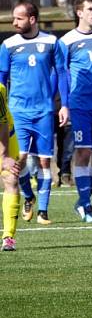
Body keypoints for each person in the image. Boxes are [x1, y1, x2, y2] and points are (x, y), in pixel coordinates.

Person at [0, 1, 69, 226]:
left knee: (44, 162)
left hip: (44, 111)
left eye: (18, 18)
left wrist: (64, 105)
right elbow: (1, 80)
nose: (14, 23)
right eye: (14, 18)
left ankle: (43, 210)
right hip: (18, 111)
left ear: (32, 19)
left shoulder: (51, 42)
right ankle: (28, 196)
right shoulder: (8, 45)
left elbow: (61, 72)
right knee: (19, 160)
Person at [57, 0, 92, 222]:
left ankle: (81, 201)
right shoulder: (66, 41)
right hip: (80, 105)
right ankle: (87, 207)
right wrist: (64, 104)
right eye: (91, 9)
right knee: (83, 151)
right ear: (79, 12)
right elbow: (61, 74)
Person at [0, 81, 21, 251]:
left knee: (10, 177)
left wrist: (4, 156)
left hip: (4, 133)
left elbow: (2, 124)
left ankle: (8, 236)